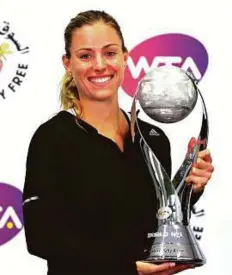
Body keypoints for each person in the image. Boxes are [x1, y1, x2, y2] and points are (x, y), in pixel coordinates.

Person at [22, 10, 214, 275]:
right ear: (68, 63)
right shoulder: (52, 139)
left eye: (110, 53)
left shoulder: (154, 138)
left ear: (125, 58)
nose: (100, 65)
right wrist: (125, 269)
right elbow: (41, 238)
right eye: (85, 55)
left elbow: (156, 224)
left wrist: (188, 188)